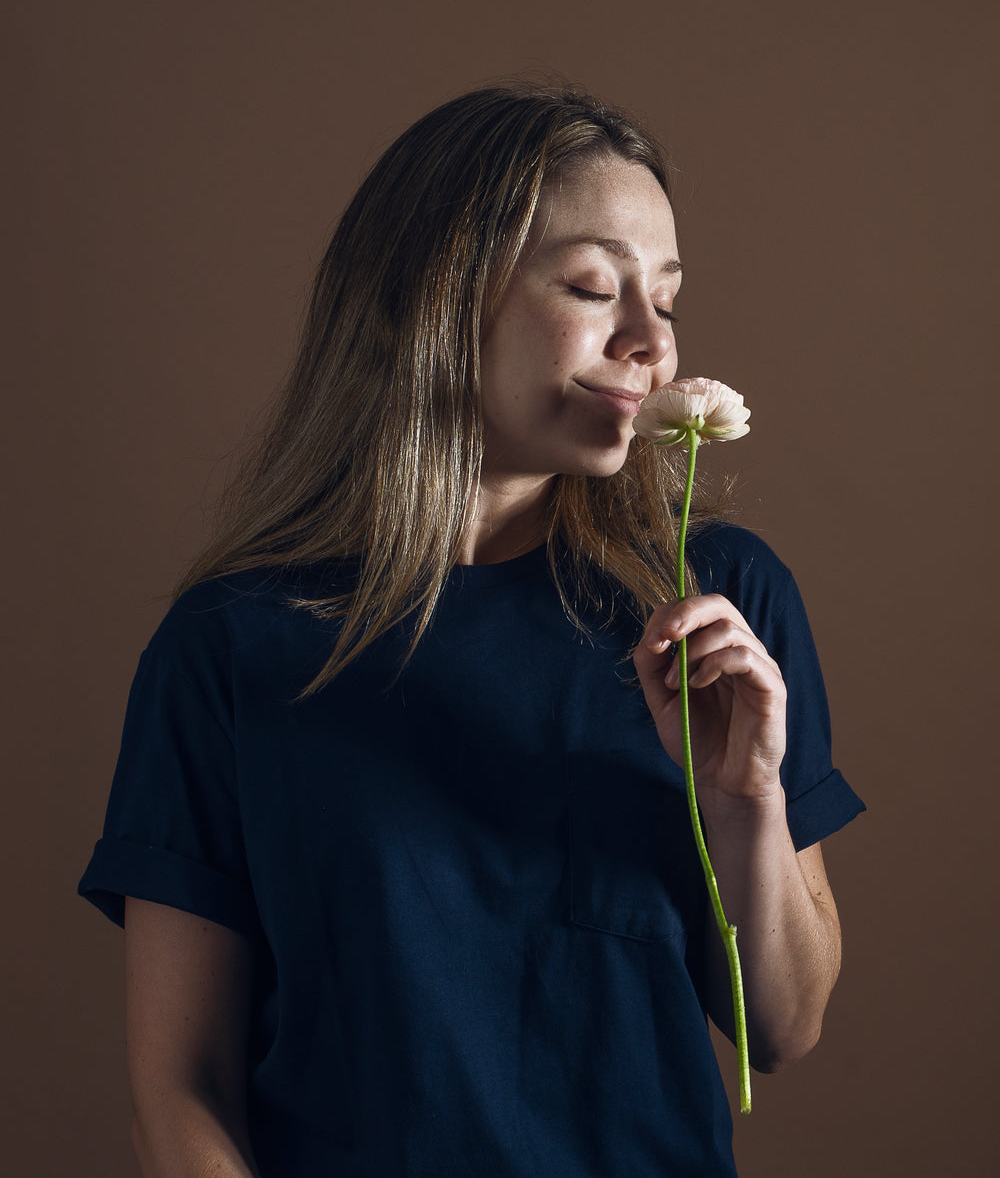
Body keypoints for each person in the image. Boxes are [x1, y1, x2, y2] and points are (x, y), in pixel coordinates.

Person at [80, 85, 864, 1177]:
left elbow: (785, 1028)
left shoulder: (716, 602)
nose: (650, 340)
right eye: (594, 286)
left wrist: (744, 806)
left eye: (669, 299)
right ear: (436, 300)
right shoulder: (229, 647)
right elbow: (178, 1093)